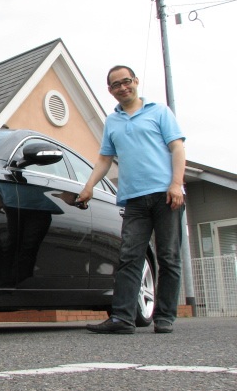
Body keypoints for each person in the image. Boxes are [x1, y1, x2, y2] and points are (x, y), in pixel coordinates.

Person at [77, 65, 186, 334]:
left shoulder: (159, 112)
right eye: (116, 84)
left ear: (135, 81)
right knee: (129, 257)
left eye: (126, 81)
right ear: (110, 90)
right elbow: (105, 158)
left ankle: (164, 317)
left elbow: (177, 147)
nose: (122, 87)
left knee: (169, 257)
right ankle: (123, 318)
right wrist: (89, 187)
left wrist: (176, 184)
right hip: (133, 200)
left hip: (165, 195)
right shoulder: (112, 122)